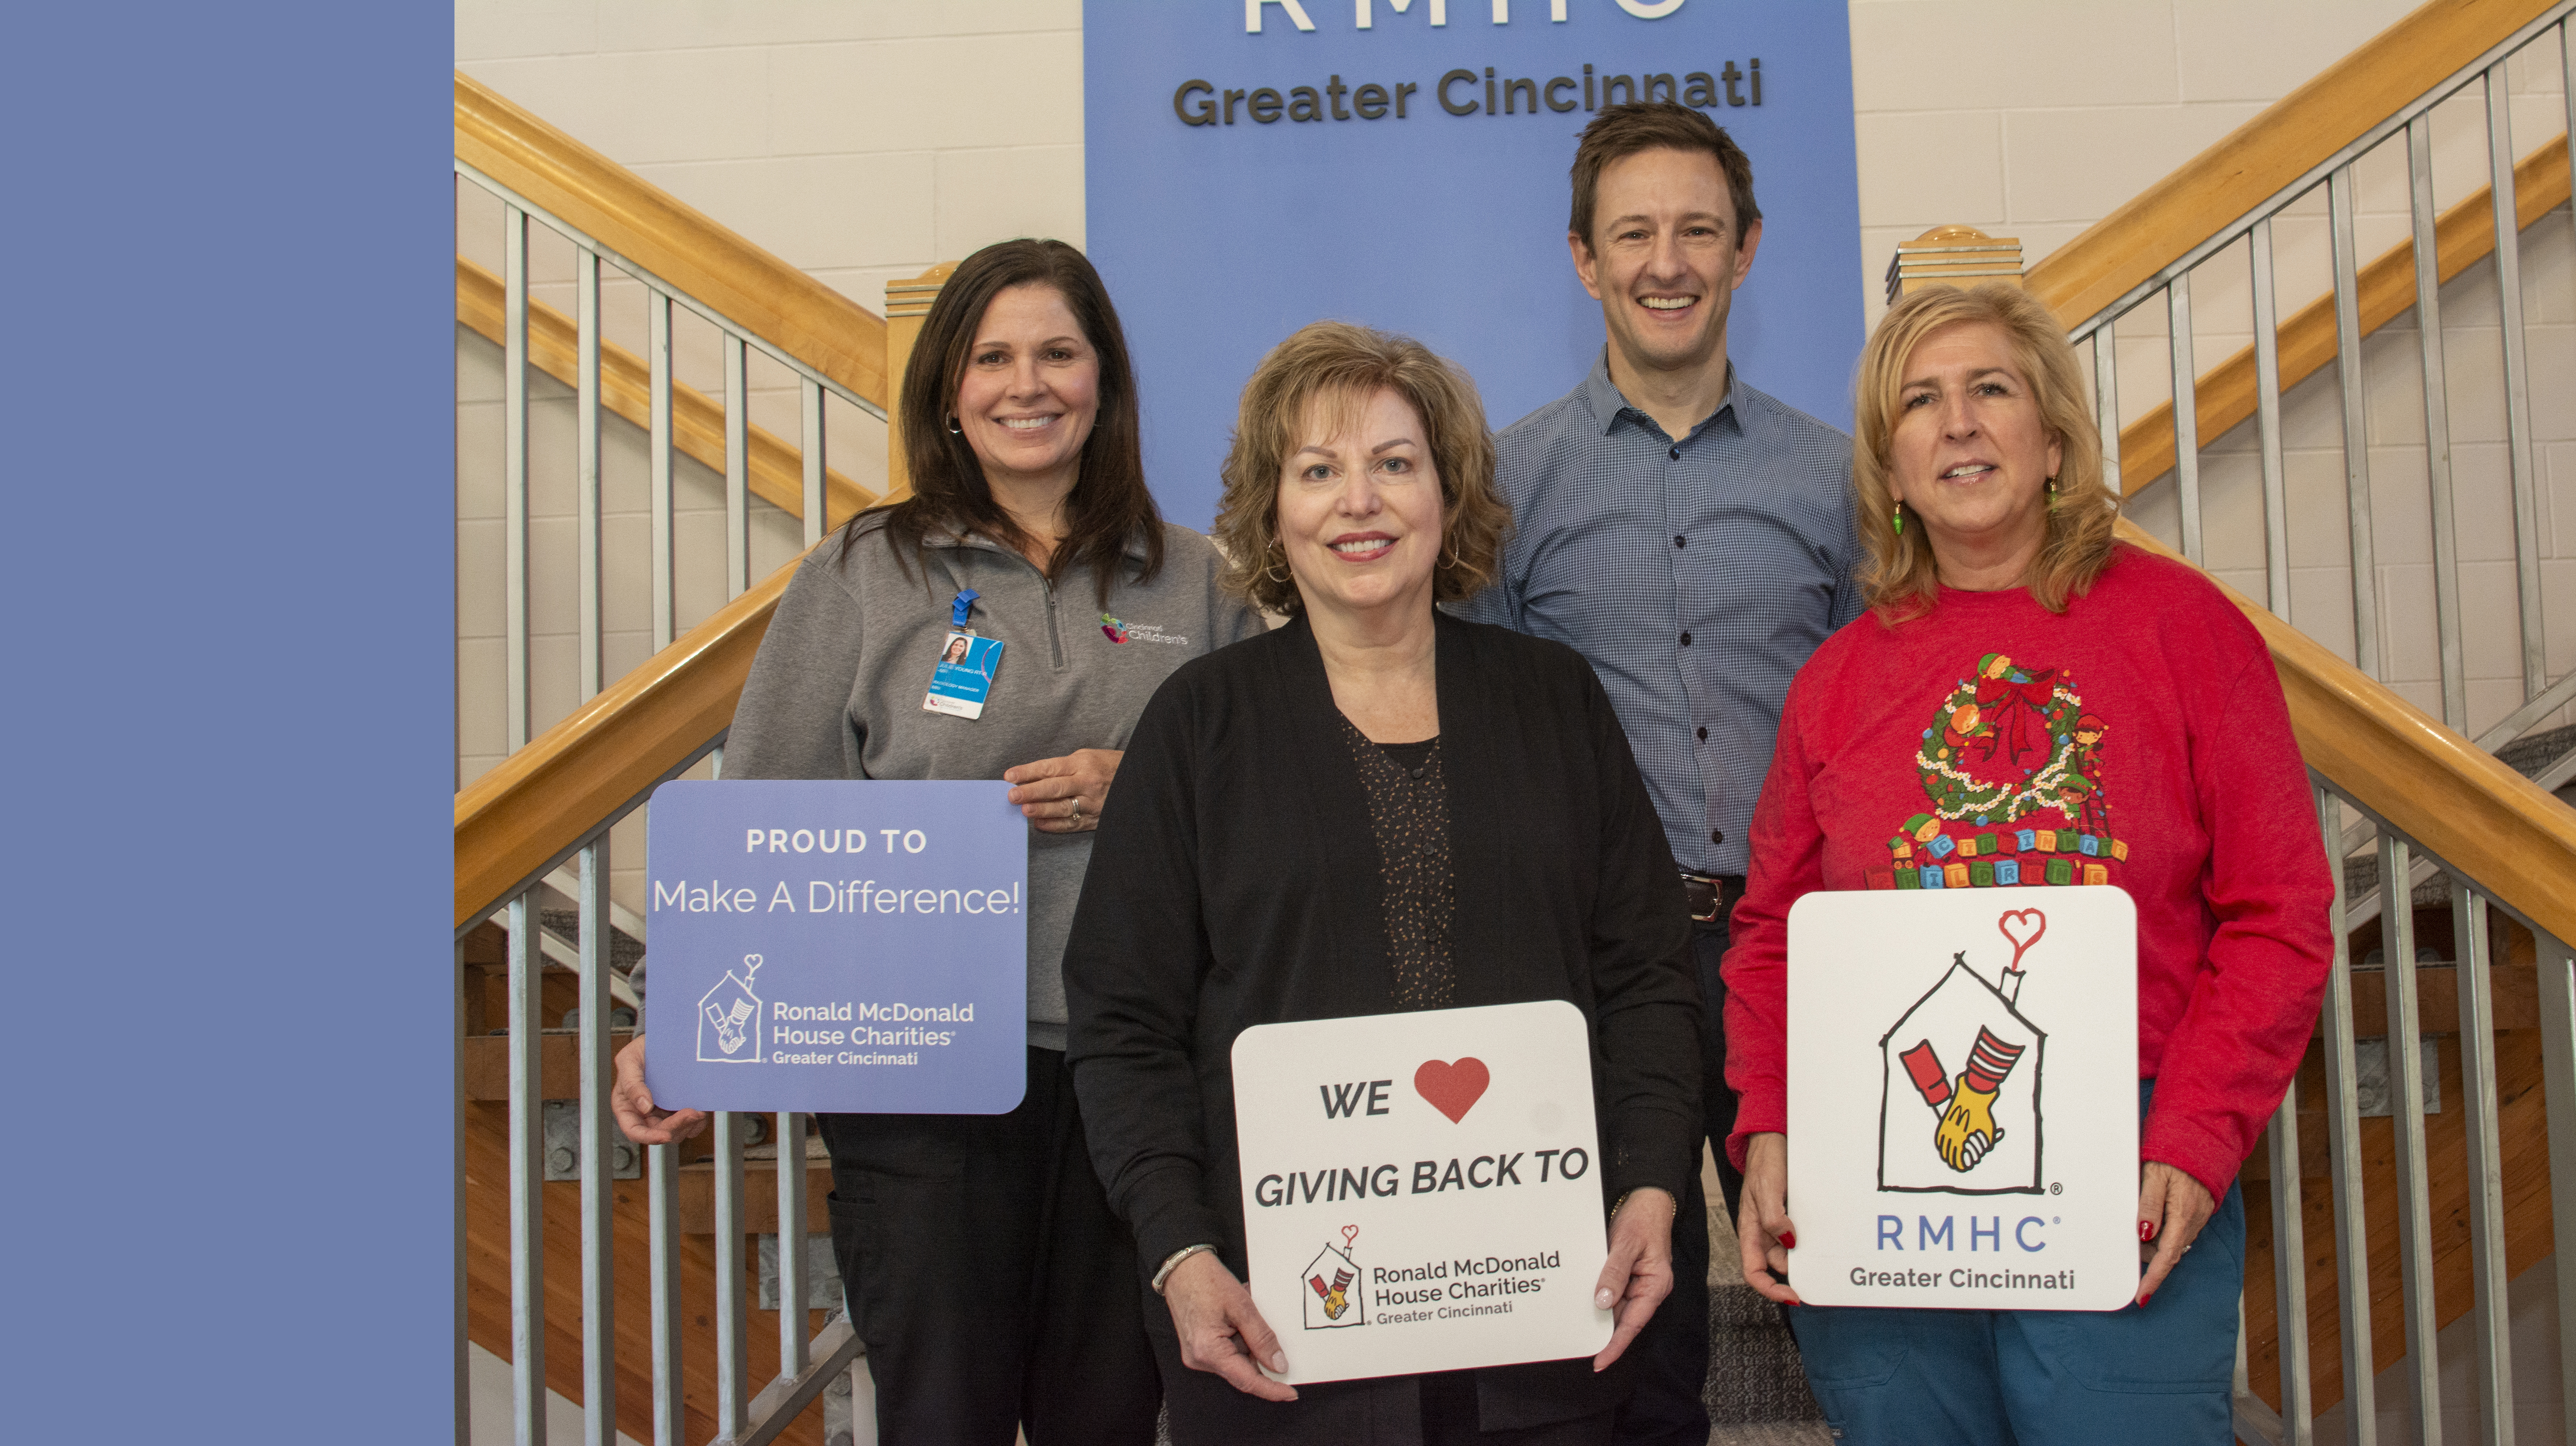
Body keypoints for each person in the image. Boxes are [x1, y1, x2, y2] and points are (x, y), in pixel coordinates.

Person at [609, 238, 1264, 1445]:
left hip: (1140, 1082)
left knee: (1107, 1419)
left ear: (1105, 379)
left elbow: (1271, 813)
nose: (1028, 384)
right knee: (942, 1419)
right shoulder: (867, 573)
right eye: (993, 358)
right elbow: (766, 808)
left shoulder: (1196, 582)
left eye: (1059, 353)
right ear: (950, 395)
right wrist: (678, 1016)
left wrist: (1144, 789)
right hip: (918, 1081)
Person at [1719, 281, 2336, 1443]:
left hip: (2129, 1154)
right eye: (1919, 402)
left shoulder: (2189, 633)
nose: (1956, 423)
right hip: (1882, 1163)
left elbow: (2281, 914)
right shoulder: (1836, 682)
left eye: (1989, 389)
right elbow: (1773, 935)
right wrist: (1770, 1127)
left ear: (2052, 439)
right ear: (1888, 471)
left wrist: (2196, 1139)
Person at [1065, 321, 1702, 1445]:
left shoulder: (1555, 700)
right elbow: (1124, 1024)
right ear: (1274, 509)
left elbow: (1648, 975)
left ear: (1449, 495)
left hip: (1548, 1321)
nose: (1358, 501)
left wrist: (1652, 1183)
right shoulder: (1198, 728)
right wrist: (1178, 1248)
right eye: (1318, 471)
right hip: (1288, 1333)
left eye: (1394, 464)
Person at [1454, 100, 1859, 1445]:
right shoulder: (1506, 486)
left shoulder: (1838, 481)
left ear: (1748, 249)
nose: (1666, 260)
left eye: (1698, 229)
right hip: (1596, 961)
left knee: (1849, 1282)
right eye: (1634, 232)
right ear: (1584, 260)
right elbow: (1485, 742)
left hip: (1794, 955)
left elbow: (1882, 728)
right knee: (1632, 1327)